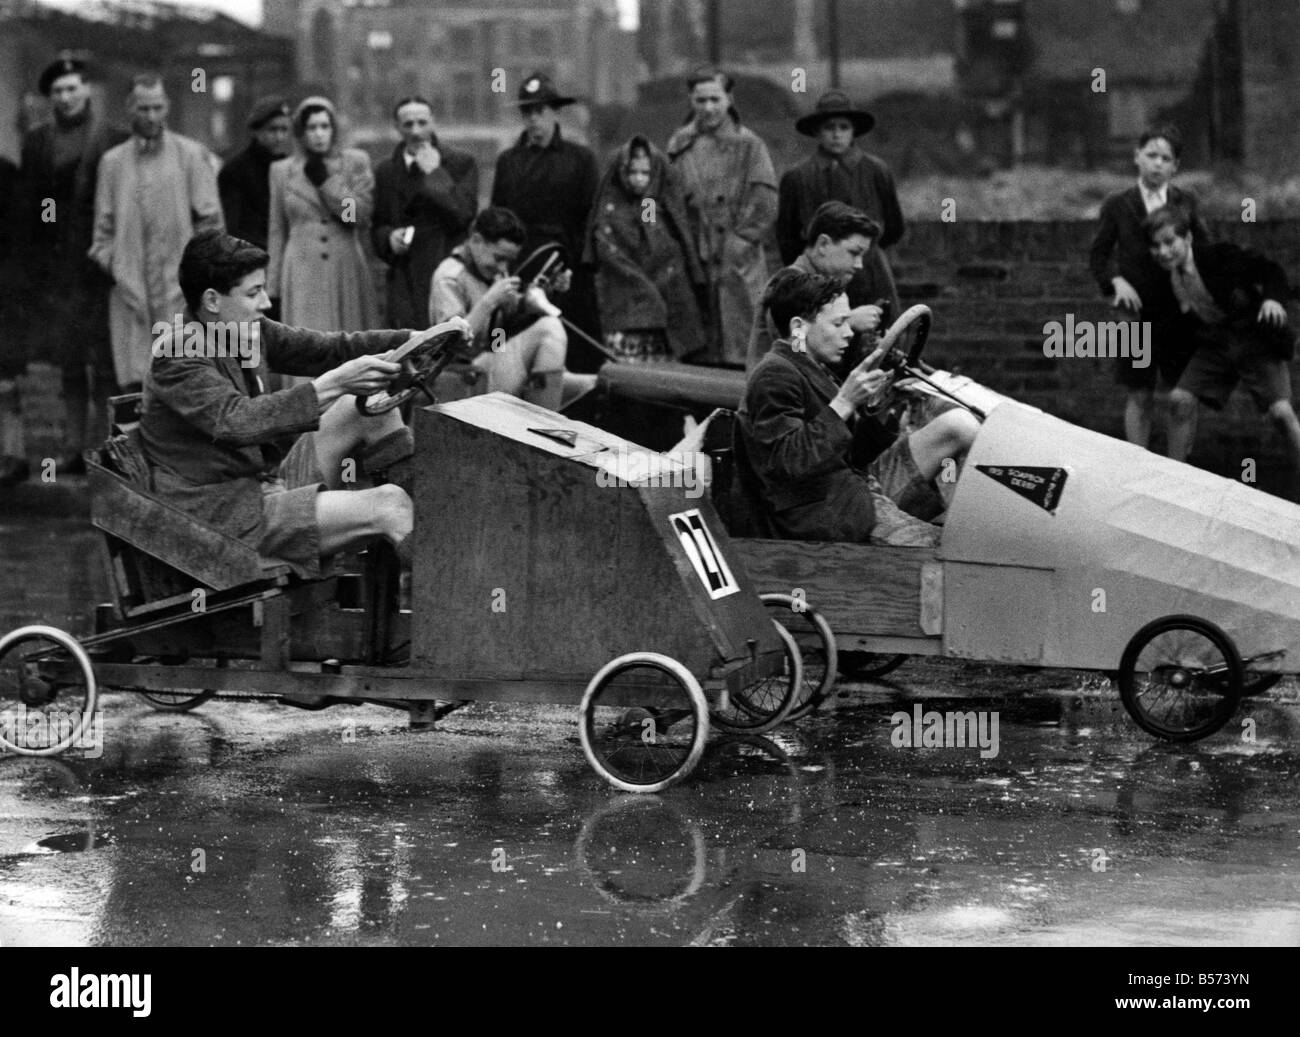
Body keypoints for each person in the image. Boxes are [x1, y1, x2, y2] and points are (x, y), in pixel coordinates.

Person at [140, 230, 434, 577]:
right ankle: (452, 601)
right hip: (218, 519)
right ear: (212, 301)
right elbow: (236, 422)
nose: (266, 302)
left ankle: (431, 517)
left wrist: (411, 340)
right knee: (390, 505)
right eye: (253, 293)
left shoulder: (242, 330)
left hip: (260, 488)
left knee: (367, 404)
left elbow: (329, 349)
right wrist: (334, 383)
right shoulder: (178, 353)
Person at [738, 269, 979, 546]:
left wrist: (881, 408)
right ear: (798, 328)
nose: (849, 333)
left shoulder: (811, 366)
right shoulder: (774, 375)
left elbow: (852, 455)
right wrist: (844, 402)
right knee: (944, 552)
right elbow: (787, 464)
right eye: (839, 323)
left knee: (956, 538)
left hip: (848, 494)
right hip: (822, 515)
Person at [10, 59, 128, 484]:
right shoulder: (38, 142)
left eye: (71, 89)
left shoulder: (113, 140)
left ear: (86, 91)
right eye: (57, 91)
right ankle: (74, 449)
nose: (65, 97)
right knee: (70, 364)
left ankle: (105, 448)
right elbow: (34, 205)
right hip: (60, 271)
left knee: (107, 366)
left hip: (101, 266)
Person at [89, 73, 223, 391]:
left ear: (167, 108)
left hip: (180, 293)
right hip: (130, 296)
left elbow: (212, 223)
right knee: (136, 386)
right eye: (143, 109)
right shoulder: (112, 163)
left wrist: (193, 273)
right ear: (129, 109)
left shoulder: (191, 155)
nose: (151, 117)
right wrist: (120, 268)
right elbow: (101, 236)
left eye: (157, 108)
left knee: (184, 377)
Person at [1145, 205, 1300, 472]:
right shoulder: (1165, 281)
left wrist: (1273, 299)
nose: (1163, 252)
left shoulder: (1219, 257)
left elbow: (1269, 269)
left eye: (1170, 242)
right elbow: (1170, 332)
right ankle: (1174, 478)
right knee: (1179, 400)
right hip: (1215, 343)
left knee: (1281, 414)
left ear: (1188, 238)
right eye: (1156, 247)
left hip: (1254, 340)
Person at [1088, 126, 1208, 453]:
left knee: (1180, 399)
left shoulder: (1187, 201)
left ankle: (1177, 473)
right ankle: (1138, 467)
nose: (1157, 164)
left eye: (1165, 158)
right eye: (1151, 155)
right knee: (1139, 394)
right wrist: (1116, 281)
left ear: (1175, 166)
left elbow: (1205, 250)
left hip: (1179, 314)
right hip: (1136, 313)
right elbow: (1099, 254)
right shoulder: (1117, 204)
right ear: (1137, 157)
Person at [667, 68, 777, 366]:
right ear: (691, 100)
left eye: (715, 99)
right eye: (700, 100)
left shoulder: (750, 145)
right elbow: (660, 202)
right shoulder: (678, 146)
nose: (708, 108)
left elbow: (765, 202)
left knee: (745, 350)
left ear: (729, 98)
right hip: (696, 266)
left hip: (740, 268)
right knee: (701, 356)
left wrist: (737, 244)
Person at [490, 73, 601, 358]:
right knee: (512, 351)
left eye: (539, 111)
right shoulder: (509, 162)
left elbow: (590, 221)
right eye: (527, 111)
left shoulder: (581, 159)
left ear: (555, 112)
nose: (533, 119)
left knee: (574, 353)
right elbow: (497, 222)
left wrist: (573, 270)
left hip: (568, 273)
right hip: (522, 271)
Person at [776, 89, 904, 319]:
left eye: (843, 127)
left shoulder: (876, 171)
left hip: (869, 271)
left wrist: (863, 251)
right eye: (829, 128)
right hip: (819, 276)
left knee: (879, 336)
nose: (837, 135)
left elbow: (894, 227)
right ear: (817, 131)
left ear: (854, 131)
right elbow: (787, 236)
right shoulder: (797, 176)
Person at [428, 206, 568, 411]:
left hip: (494, 354)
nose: (503, 268)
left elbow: (503, 325)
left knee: (587, 384)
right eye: (499, 258)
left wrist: (545, 294)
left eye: (509, 262)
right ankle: (544, 425)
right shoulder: (449, 277)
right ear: (476, 240)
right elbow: (449, 343)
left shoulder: (492, 273)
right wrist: (489, 301)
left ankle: (540, 415)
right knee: (550, 328)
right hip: (464, 374)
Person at [583, 134, 707, 362]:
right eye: (633, 172)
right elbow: (609, 253)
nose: (639, 179)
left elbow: (654, 240)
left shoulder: (649, 204)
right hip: (624, 310)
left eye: (645, 173)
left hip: (658, 315)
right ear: (622, 171)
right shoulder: (609, 208)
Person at [267, 96, 378, 337]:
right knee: (307, 340)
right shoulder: (282, 171)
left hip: (345, 265)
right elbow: (277, 231)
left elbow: (357, 216)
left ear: (334, 129)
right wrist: (272, 289)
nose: (319, 134)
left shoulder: (355, 163)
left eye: (324, 127)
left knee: (350, 340)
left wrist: (328, 183)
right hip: (301, 269)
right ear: (301, 132)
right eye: (312, 127)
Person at [372, 96, 478, 330]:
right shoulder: (386, 171)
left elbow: (464, 215)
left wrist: (435, 173)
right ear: (397, 128)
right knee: (409, 350)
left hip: (446, 272)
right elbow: (376, 225)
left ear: (433, 122)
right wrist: (389, 238)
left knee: (450, 344)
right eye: (408, 125)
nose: (416, 131)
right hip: (405, 280)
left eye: (422, 122)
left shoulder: (461, 163)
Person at [748, 201, 885, 370]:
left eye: (862, 256)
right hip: (779, 389)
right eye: (854, 253)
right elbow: (795, 346)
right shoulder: (787, 283)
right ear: (823, 244)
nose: (859, 264)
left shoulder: (827, 288)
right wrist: (848, 321)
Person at [218, 96, 293, 252]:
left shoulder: (291, 169)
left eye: (284, 130)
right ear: (256, 131)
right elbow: (234, 228)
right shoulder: (235, 171)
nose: (279, 137)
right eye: (272, 130)